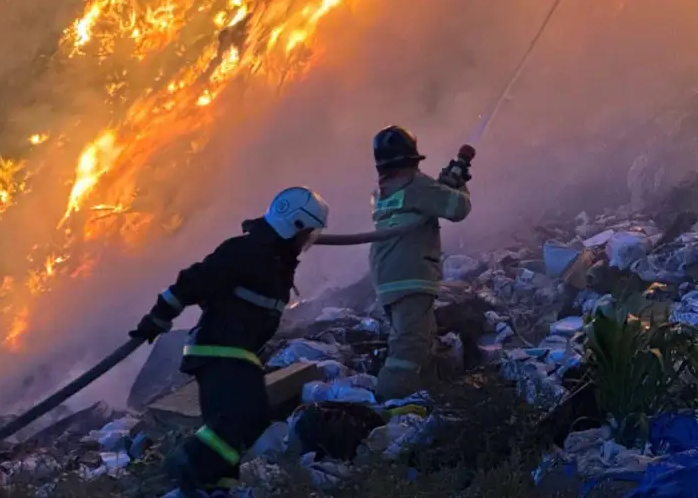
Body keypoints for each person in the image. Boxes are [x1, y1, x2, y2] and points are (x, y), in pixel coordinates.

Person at [129, 186, 330, 498]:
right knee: (245, 416)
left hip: (240, 353)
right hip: (219, 348)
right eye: (307, 233)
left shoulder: (276, 261)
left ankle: (213, 486)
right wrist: (157, 318)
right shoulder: (245, 251)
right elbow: (193, 281)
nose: (308, 241)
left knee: (239, 425)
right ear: (294, 224)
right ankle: (184, 464)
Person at [369, 125, 473, 401]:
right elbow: (458, 208)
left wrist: (442, 186)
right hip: (411, 275)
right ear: (410, 161)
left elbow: (429, 201)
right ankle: (385, 405)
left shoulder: (385, 191)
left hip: (389, 278)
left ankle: (428, 399)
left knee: (423, 341)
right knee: (409, 346)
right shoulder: (416, 185)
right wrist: (459, 182)